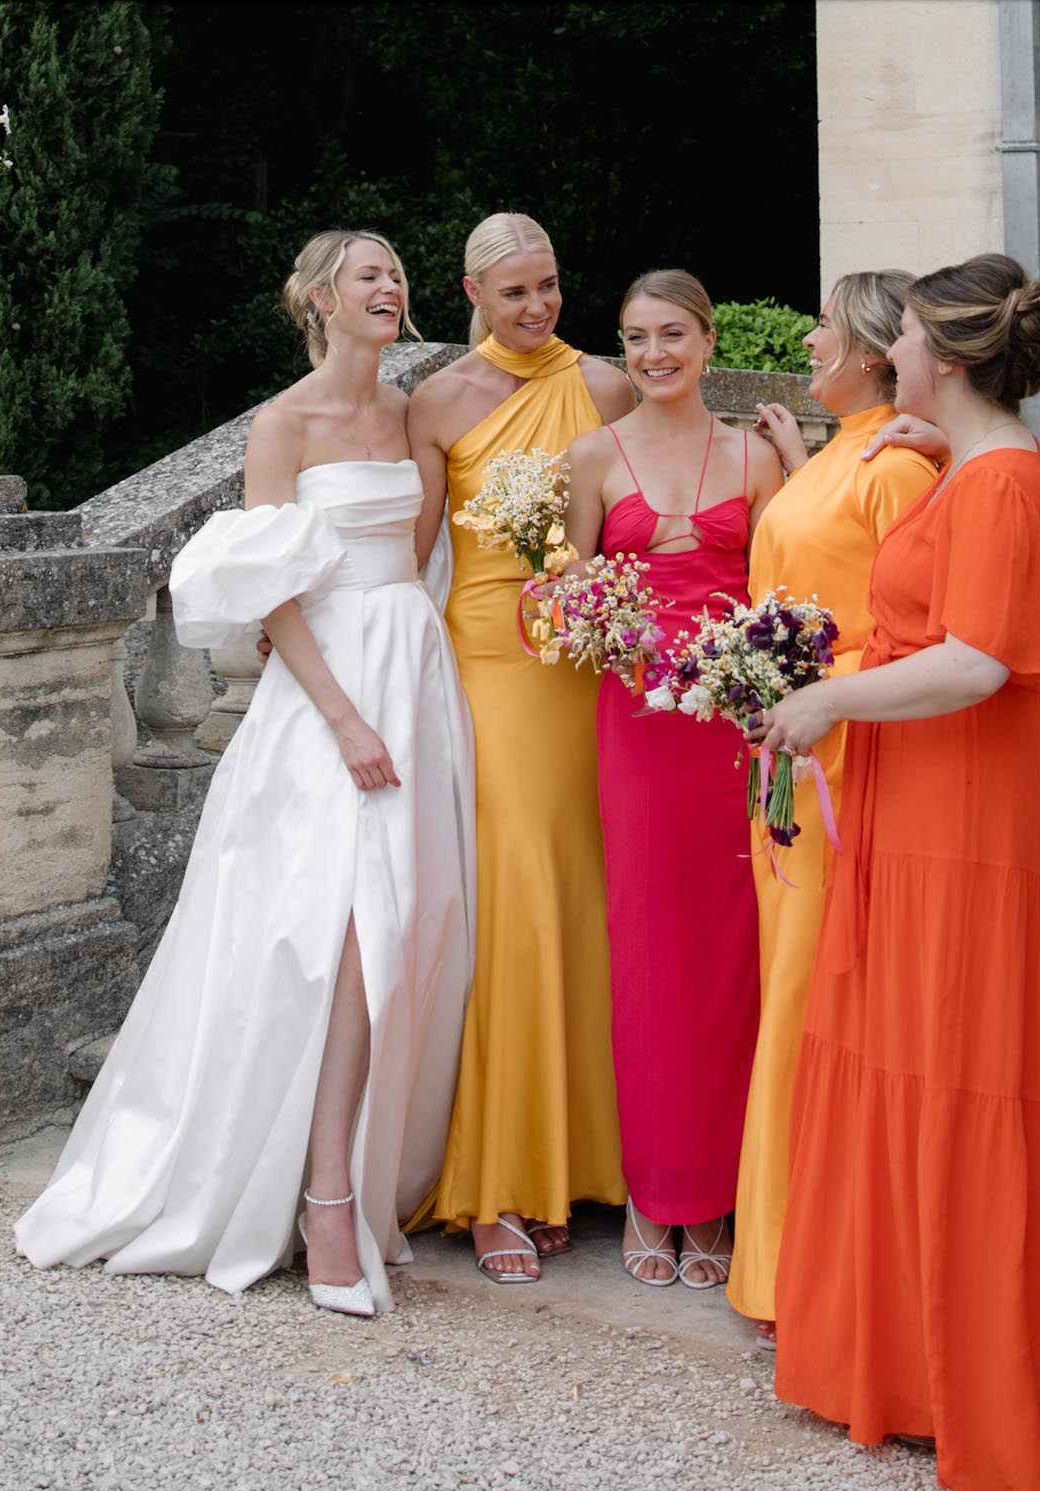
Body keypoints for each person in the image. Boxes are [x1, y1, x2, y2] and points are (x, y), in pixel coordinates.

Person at [758, 253, 1040, 1491]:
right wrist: (931, 445)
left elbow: (971, 661)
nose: (885, 353)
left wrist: (826, 697)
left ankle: (1030, 1381)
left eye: (900, 339)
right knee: (901, 1050)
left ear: (945, 358)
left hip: (967, 802)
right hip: (922, 791)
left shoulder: (1006, 481)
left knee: (954, 1063)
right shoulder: (974, 464)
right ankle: (910, 1365)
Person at [15, 230, 475, 1320]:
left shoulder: (412, 412)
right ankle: (318, 1199)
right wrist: (343, 715)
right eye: (369, 275)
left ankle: (358, 1184)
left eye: (397, 274)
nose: (390, 287)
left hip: (414, 668)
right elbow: (270, 591)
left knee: (405, 928)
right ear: (318, 299)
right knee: (330, 938)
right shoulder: (282, 423)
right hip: (329, 696)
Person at [405, 212, 636, 1282]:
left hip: (584, 669)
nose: (537, 308)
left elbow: (661, 508)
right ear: (469, 293)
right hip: (488, 670)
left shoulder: (606, 384)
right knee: (514, 904)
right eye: (514, 294)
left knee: (588, 901)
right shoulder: (437, 400)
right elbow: (405, 555)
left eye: (548, 287)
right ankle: (501, 1175)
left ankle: (586, 1162)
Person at [728, 270, 939, 1347]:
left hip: (843, 759)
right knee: (786, 991)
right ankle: (782, 1250)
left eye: (820, 325)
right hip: (790, 753)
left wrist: (803, 685)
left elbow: (904, 627)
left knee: (812, 992)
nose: (804, 338)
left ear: (862, 349)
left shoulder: (897, 466)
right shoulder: (842, 454)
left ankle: (807, 1257)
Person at [563, 269, 784, 1289]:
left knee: (735, 952)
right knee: (647, 948)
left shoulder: (753, 456)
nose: (653, 355)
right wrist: (581, 613)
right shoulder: (589, 459)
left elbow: (788, 592)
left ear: (706, 339)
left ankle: (729, 1195)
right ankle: (658, 1195)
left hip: (732, 732)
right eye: (634, 338)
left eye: (671, 336)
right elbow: (567, 595)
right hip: (641, 729)